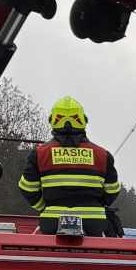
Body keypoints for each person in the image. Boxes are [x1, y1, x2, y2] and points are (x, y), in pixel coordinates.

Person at [17, 96, 122, 235]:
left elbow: (27, 188)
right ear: (83, 120)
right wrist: (96, 205)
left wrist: (45, 207)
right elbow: (112, 190)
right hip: (93, 222)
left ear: (52, 121)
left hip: (52, 221)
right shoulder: (103, 155)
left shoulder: (39, 154)